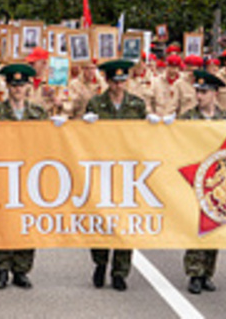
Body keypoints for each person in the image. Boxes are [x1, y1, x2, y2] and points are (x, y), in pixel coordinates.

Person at [0, 63, 47, 290]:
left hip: (29, 174)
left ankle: (21, 269)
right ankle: (1, 269)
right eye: (13, 85)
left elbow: (49, 143)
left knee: (26, 222)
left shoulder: (38, 114)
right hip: (3, 173)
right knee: (2, 222)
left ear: (28, 87)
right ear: (7, 86)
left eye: (21, 85)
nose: (17, 89)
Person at [85, 59, 147, 292]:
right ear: (107, 81)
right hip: (103, 169)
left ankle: (120, 272)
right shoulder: (96, 104)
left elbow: (145, 138)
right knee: (101, 220)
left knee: (125, 222)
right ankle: (100, 263)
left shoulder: (136, 105)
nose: (119, 85)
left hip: (128, 171)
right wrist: (86, 124)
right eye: (114, 81)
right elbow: (85, 139)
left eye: (122, 81)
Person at [181, 69, 226, 294]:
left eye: (204, 92)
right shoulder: (187, 118)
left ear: (214, 94)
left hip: (219, 182)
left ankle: (207, 272)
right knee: (196, 227)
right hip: (196, 178)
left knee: (215, 227)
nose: (199, 96)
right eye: (198, 91)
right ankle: (194, 272)